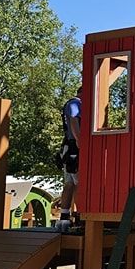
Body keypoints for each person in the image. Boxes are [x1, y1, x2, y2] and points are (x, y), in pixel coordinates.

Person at [58, 86, 81, 224]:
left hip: (69, 147)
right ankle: (79, 215)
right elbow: (73, 118)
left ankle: (65, 217)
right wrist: (79, 139)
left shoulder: (72, 103)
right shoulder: (75, 103)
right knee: (78, 182)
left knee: (70, 183)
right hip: (74, 147)